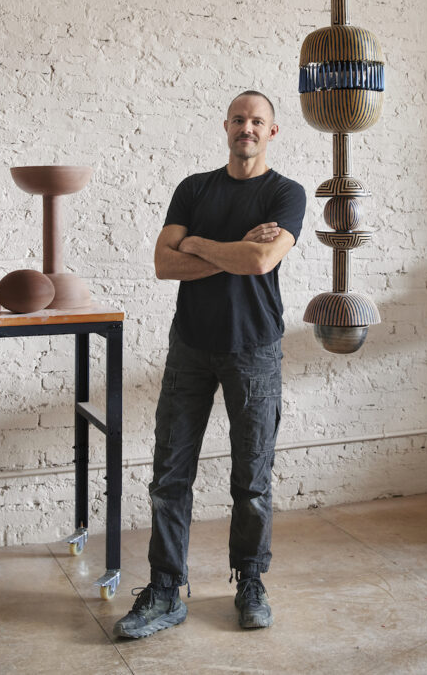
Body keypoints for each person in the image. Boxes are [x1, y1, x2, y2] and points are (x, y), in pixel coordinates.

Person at [113, 90, 306, 639]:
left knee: (252, 479)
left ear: (272, 132)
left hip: (255, 350)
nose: (247, 127)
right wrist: (223, 248)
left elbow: (262, 258)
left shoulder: (285, 193)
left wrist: (199, 246)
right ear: (226, 126)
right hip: (190, 348)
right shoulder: (193, 189)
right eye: (239, 119)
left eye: (258, 121)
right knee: (170, 475)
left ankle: (250, 581)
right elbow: (162, 262)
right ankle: (165, 591)